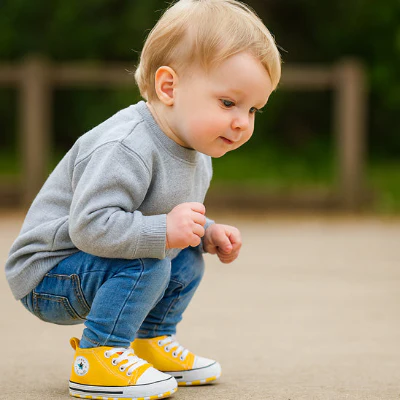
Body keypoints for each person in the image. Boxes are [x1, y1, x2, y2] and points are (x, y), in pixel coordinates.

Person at [5, 0, 281, 398]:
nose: (241, 122)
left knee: (185, 253)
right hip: (50, 273)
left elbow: (159, 215)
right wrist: (165, 230)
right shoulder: (126, 146)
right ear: (169, 87)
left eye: (253, 109)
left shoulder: (195, 150)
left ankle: (149, 340)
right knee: (149, 258)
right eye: (228, 103)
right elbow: (89, 227)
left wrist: (205, 231)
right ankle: (97, 355)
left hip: (94, 262)